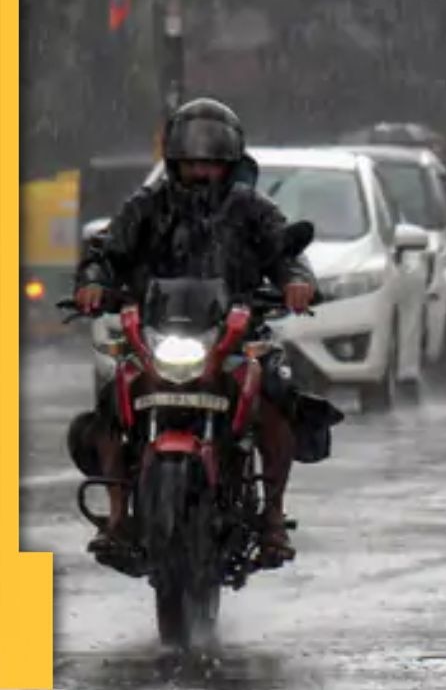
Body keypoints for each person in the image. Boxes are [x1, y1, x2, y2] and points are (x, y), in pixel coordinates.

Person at [72, 98, 317, 567]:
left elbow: (286, 253)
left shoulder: (252, 209)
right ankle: (119, 512)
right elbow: (106, 251)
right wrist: (93, 283)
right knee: (111, 396)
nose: (201, 172)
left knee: (277, 394)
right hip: (156, 333)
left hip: (235, 335)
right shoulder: (146, 206)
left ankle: (272, 515)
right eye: (191, 162)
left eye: (211, 163)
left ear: (230, 165)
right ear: (174, 162)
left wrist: (296, 282)